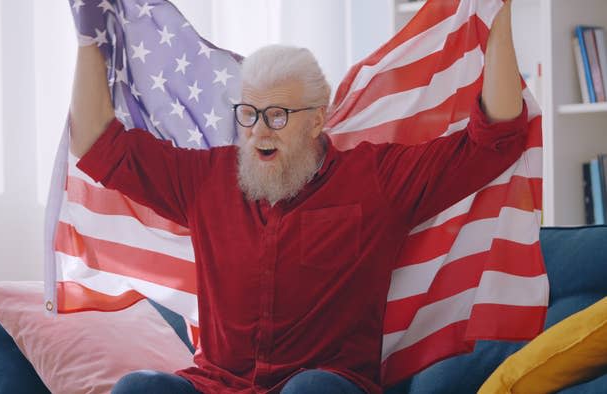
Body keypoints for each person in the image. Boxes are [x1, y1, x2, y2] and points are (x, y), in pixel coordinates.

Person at [70, 1, 525, 393]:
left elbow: (496, 139)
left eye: (278, 116)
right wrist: (89, 39)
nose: (259, 131)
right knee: (139, 387)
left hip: (325, 384)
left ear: (316, 120)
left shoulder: (377, 180)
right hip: (220, 384)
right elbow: (96, 143)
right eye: (248, 114)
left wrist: (497, 13)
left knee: (311, 389)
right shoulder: (207, 180)